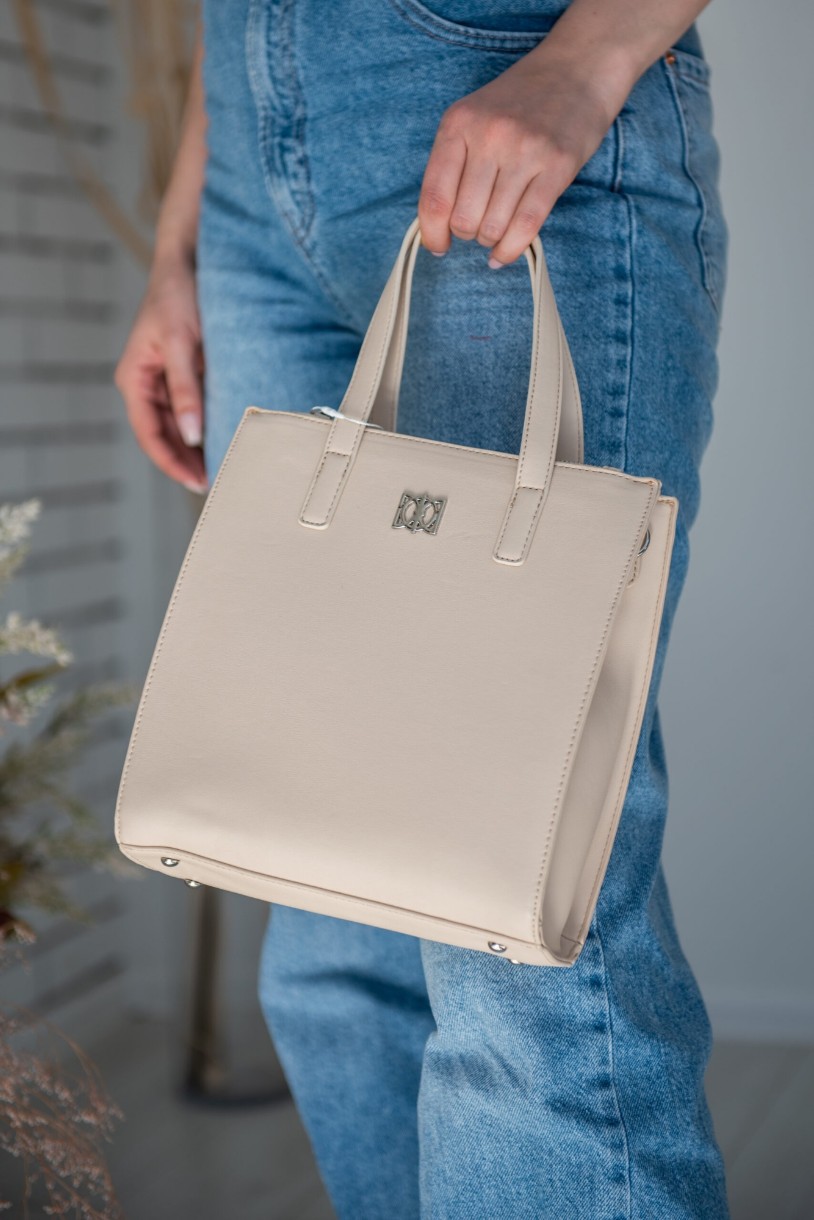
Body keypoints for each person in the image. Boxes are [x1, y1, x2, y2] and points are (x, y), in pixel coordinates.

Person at [114, 1, 730, 1215]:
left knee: (519, 914)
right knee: (328, 935)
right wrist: (181, 237)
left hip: (502, 78)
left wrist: (586, 61)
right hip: (247, 169)